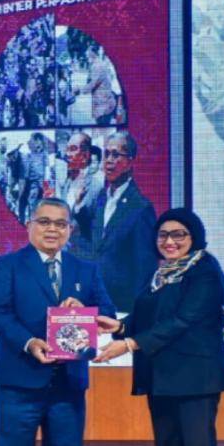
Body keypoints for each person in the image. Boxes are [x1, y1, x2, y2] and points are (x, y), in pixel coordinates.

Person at [0, 198, 116, 446]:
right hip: (18, 383)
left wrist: (84, 311)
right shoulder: (6, 266)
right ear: (29, 225)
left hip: (68, 385)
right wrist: (30, 342)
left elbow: (108, 313)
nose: (52, 229)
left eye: (60, 223)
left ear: (70, 230)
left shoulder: (86, 269)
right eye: (44, 222)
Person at [94, 208, 224, 446]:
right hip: (162, 379)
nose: (169, 241)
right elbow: (151, 317)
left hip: (195, 380)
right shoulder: (162, 272)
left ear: (194, 236)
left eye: (178, 234)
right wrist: (119, 326)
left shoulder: (204, 270)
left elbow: (183, 319)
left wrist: (130, 344)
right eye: (163, 235)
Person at [71, 131, 157, 314]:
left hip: (123, 307)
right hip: (94, 302)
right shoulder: (101, 198)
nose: (108, 160)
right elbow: (94, 243)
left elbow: (145, 268)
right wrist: (78, 206)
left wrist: (137, 314)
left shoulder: (140, 208)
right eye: (106, 154)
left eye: (115, 155)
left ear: (130, 162)